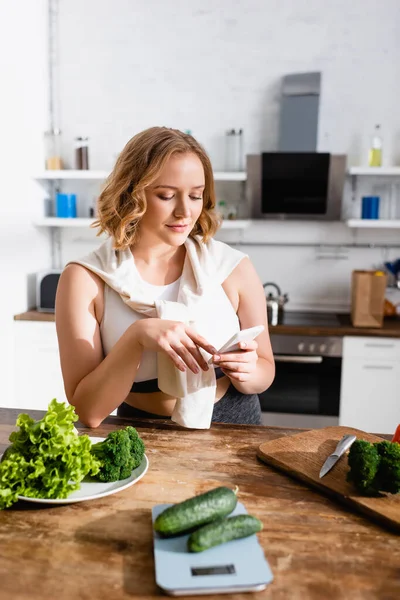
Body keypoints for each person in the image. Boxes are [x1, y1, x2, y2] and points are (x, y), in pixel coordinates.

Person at [55, 127, 275, 428]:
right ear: (131, 192)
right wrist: (137, 337)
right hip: (139, 431)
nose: (185, 211)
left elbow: (265, 371)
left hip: (235, 423)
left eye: (196, 195)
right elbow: (87, 412)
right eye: (167, 195)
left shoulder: (233, 267)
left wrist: (251, 374)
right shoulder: (85, 279)